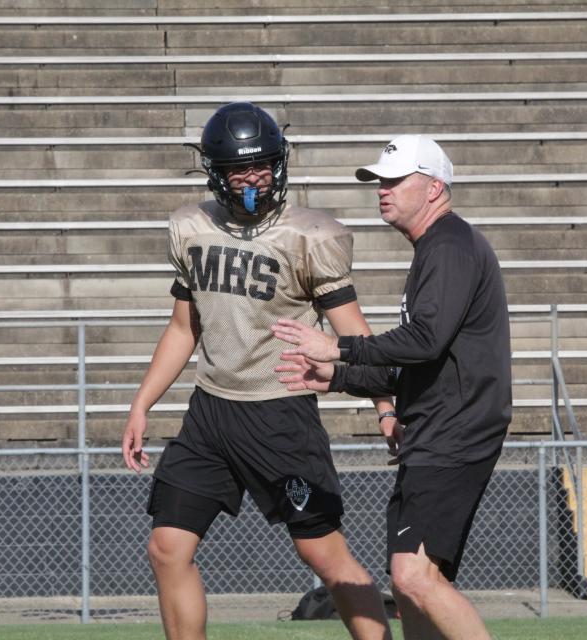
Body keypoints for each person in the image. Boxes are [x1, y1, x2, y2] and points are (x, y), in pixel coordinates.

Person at [121, 102, 394, 640]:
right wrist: (141, 403)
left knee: (326, 558)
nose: (253, 178)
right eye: (239, 169)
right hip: (211, 413)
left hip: (280, 413)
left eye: (262, 165)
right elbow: (183, 328)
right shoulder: (191, 227)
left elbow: (354, 334)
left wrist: (385, 404)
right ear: (217, 174)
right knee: (166, 547)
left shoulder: (311, 236)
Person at [272, 134, 512, 640]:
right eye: (380, 181)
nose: (383, 189)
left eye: (396, 180)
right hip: (433, 431)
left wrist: (336, 348)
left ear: (433, 187)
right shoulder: (435, 249)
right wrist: (335, 377)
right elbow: (410, 365)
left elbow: (423, 341)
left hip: (455, 431)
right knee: (413, 583)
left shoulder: (449, 245)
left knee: (413, 577)